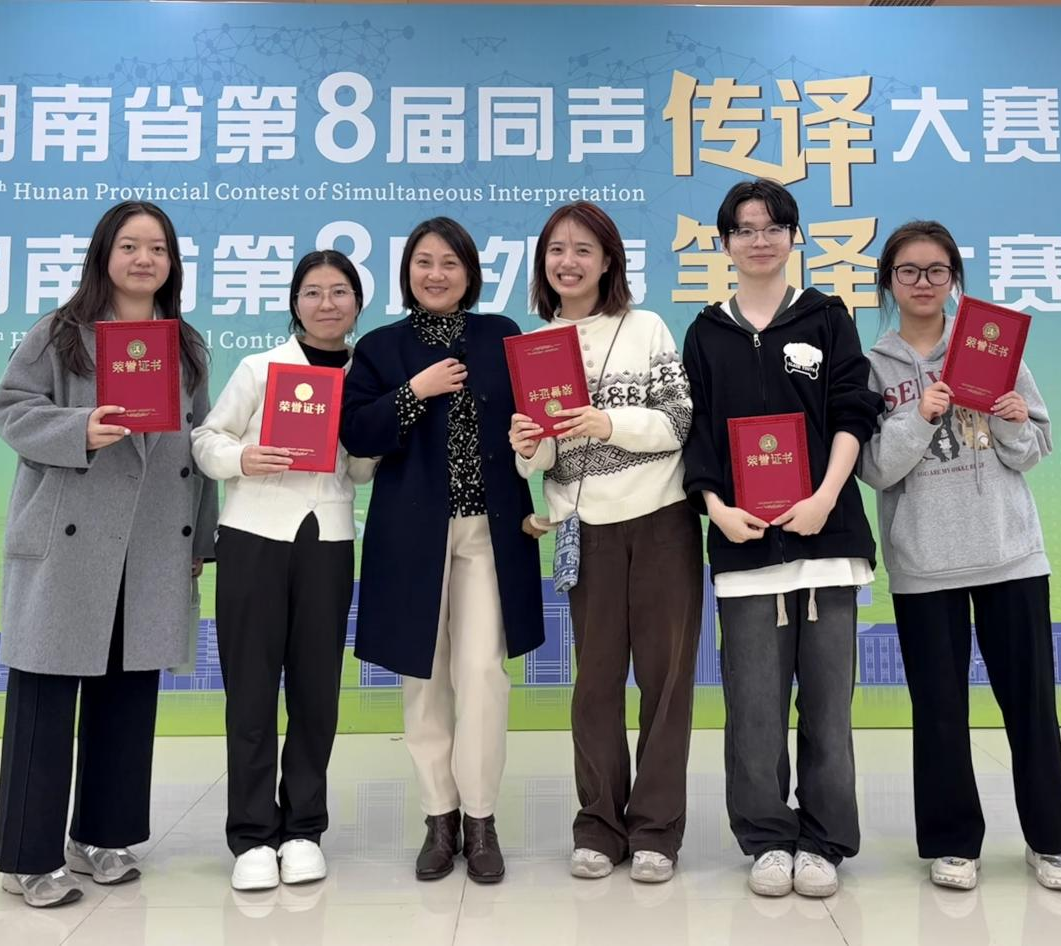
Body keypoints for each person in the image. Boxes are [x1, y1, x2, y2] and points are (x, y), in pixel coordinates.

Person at [0, 201, 216, 908]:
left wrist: (201, 539)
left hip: (153, 541)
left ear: (172, 263)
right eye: (130, 246)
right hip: (71, 540)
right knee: (45, 698)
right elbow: (10, 409)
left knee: (128, 695)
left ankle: (101, 836)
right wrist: (79, 427)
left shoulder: (185, 345)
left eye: (158, 248)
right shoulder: (61, 332)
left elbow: (202, 443)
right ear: (104, 256)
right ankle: (26, 858)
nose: (144, 259)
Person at [859, 220, 1061, 892]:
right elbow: (874, 468)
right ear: (889, 282)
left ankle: (1051, 842)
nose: (923, 282)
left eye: (936, 270)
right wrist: (919, 415)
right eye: (908, 271)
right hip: (923, 563)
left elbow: (1034, 449)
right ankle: (954, 845)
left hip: (1009, 554)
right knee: (939, 712)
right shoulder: (873, 367)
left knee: (1031, 706)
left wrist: (1012, 419)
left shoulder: (991, 347)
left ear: (954, 278)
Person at [681, 179, 881, 898]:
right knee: (754, 709)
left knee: (828, 707)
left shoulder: (827, 317)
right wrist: (716, 507)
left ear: (794, 237)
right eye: (744, 228)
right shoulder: (706, 332)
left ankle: (824, 840)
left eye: (773, 226)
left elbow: (854, 411)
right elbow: (696, 431)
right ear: (725, 243)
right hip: (746, 547)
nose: (759, 239)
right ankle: (767, 837)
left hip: (827, 540)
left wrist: (825, 498)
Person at [341, 217, 543, 884]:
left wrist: (531, 440)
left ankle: (481, 820)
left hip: (489, 529)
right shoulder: (380, 347)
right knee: (423, 677)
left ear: (469, 274)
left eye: (450, 263)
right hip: (411, 534)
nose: (436, 274)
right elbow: (357, 432)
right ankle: (439, 817)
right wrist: (413, 393)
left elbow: (533, 416)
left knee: (482, 672)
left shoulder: (501, 336)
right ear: (407, 273)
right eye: (424, 262)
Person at [508, 202, 701, 884]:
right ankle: (597, 825)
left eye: (583, 249)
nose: (569, 262)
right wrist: (526, 447)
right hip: (582, 530)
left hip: (660, 521)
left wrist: (607, 422)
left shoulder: (646, 328)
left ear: (609, 260)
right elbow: (540, 461)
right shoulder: (534, 346)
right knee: (593, 684)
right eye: (556, 251)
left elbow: (680, 421)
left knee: (665, 682)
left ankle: (656, 830)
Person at [191, 250, 377, 891]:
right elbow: (206, 439)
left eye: (340, 292)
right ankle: (250, 834)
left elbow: (359, 470)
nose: (327, 304)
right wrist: (245, 458)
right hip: (253, 537)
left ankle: (303, 829)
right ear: (295, 303)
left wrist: (375, 436)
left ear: (357, 303)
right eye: (313, 292)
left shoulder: (365, 375)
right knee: (250, 688)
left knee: (316, 691)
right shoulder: (260, 367)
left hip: (328, 538)